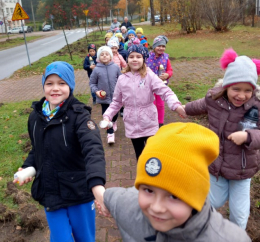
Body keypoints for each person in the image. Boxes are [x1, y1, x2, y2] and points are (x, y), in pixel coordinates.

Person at [97, 122, 251, 242]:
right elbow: (113, 197)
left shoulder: (230, 238)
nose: (156, 207)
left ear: (195, 198)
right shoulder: (128, 206)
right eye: (148, 190)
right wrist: (102, 197)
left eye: (174, 196)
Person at [13, 61, 107, 242]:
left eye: (61, 83)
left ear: (70, 86)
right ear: (43, 86)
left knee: (85, 238)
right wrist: (27, 167)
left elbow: (93, 150)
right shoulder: (35, 116)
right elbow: (37, 149)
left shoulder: (80, 116)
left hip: (79, 193)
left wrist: (96, 185)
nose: (55, 88)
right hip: (51, 193)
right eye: (49, 83)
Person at [184, 48, 260, 230]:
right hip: (216, 164)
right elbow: (201, 105)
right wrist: (184, 108)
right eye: (236, 89)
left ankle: (235, 236)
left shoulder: (256, 107)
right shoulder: (215, 99)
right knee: (213, 201)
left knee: (239, 213)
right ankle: (199, 227)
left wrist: (248, 136)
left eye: (247, 90)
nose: (241, 95)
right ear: (227, 86)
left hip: (243, 170)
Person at [102, 44, 186, 160]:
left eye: (138, 56)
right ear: (127, 59)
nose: (135, 59)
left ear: (144, 59)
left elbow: (165, 92)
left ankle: (155, 177)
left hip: (149, 122)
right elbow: (116, 101)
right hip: (132, 124)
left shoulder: (149, 76)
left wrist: (176, 106)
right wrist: (107, 116)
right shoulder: (122, 79)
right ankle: (143, 177)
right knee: (140, 156)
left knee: (153, 156)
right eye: (131, 57)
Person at [90, 46, 121, 144]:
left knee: (115, 115)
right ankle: (110, 133)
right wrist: (96, 91)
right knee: (106, 116)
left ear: (110, 56)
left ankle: (114, 121)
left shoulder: (116, 67)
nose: (104, 56)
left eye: (106, 54)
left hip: (116, 98)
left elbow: (121, 80)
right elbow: (92, 83)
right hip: (104, 99)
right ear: (99, 57)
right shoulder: (96, 70)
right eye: (102, 54)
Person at [146, 36, 173, 127]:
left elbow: (170, 70)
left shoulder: (166, 58)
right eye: (159, 46)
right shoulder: (147, 57)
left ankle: (160, 122)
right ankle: (152, 121)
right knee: (151, 104)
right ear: (154, 46)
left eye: (163, 46)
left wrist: (167, 75)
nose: (161, 48)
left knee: (161, 104)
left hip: (161, 85)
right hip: (149, 86)